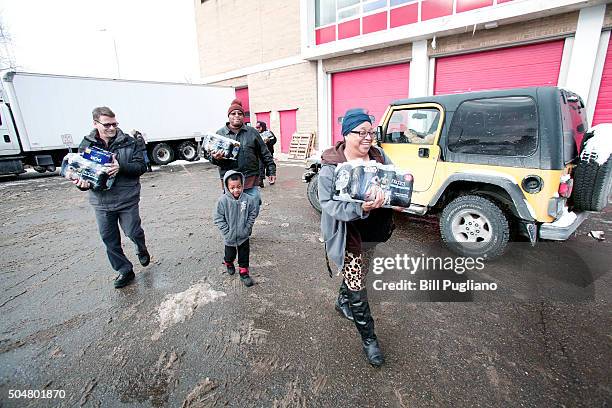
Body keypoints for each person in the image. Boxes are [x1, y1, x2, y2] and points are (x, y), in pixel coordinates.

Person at [319, 108, 397, 367]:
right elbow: (327, 204)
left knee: (361, 273)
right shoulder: (331, 166)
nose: (367, 138)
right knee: (357, 285)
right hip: (349, 234)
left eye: (371, 132)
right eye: (361, 132)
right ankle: (369, 340)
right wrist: (359, 208)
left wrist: (396, 199)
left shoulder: (379, 155)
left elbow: (394, 183)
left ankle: (342, 301)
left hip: (374, 232)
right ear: (346, 133)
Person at [74, 106, 150, 289]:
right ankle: (124, 270)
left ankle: (141, 247)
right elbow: (82, 173)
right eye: (107, 124)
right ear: (95, 123)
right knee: (109, 239)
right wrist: (81, 184)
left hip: (127, 198)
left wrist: (121, 167)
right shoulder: (86, 145)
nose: (112, 128)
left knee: (133, 231)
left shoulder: (129, 142)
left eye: (114, 124)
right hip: (101, 201)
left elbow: (141, 167)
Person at [210, 99, 276, 204]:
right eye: (233, 113)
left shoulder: (252, 132)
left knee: (253, 207)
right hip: (231, 182)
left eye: (240, 113)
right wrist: (215, 158)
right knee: (233, 210)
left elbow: (265, 152)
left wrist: (271, 170)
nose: (237, 115)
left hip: (250, 179)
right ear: (228, 116)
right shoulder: (220, 134)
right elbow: (211, 158)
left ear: (243, 116)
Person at [213, 170, 260, 287]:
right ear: (227, 187)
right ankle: (228, 263)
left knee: (244, 255)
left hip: (243, 236)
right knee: (230, 255)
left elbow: (252, 213)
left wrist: (247, 228)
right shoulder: (222, 201)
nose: (236, 190)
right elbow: (218, 218)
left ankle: (244, 272)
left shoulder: (247, 199)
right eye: (232, 187)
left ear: (243, 185)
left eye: (239, 187)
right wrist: (226, 232)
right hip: (229, 238)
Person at [255, 120, 277, 188]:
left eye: (259, 127)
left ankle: (271, 178)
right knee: (260, 167)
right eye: (256, 127)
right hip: (259, 153)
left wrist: (269, 141)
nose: (257, 129)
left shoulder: (269, 132)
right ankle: (260, 181)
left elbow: (274, 140)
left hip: (268, 153)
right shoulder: (256, 134)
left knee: (269, 166)